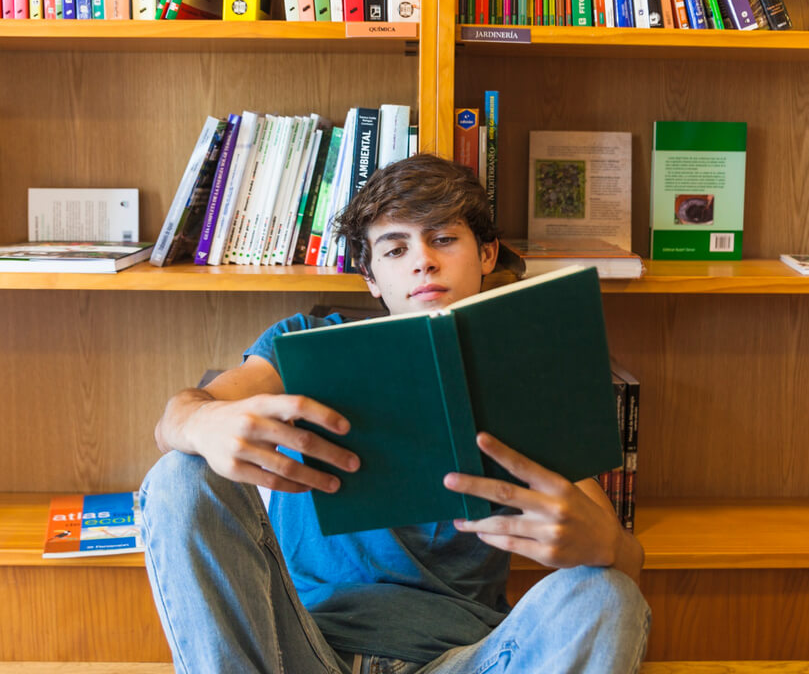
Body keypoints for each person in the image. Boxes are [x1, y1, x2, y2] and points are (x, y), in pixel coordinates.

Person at [141, 154, 651, 674]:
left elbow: (627, 567)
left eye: (444, 239)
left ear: (486, 254)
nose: (423, 260)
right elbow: (175, 419)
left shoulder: (520, 372)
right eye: (396, 248)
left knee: (609, 595)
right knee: (182, 472)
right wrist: (200, 423)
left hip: (468, 658)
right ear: (371, 278)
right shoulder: (305, 343)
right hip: (302, 649)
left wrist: (605, 545)